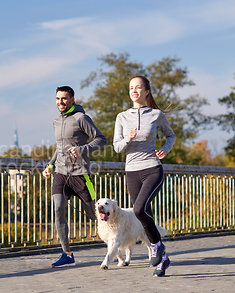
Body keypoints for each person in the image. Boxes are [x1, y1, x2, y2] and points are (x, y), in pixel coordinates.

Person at [113, 75, 176, 277]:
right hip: (132, 170)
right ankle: (162, 259)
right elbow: (116, 148)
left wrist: (165, 148)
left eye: (138, 87)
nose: (134, 90)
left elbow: (170, 135)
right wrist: (127, 139)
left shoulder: (156, 115)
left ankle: (157, 246)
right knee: (142, 215)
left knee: (139, 210)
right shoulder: (122, 117)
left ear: (146, 91)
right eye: (131, 87)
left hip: (152, 168)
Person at [43, 86, 107, 268]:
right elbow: (59, 147)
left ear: (72, 99)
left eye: (64, 99)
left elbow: (101, 139)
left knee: (96, 214)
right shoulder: (56, 121)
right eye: (57, 99)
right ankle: (67, 254)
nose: (60, 102)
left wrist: (82, 149)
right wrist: (49, 165)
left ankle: (119, 240)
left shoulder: (82, 118)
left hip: (81, 175)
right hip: (60, 174)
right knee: (58, 210)